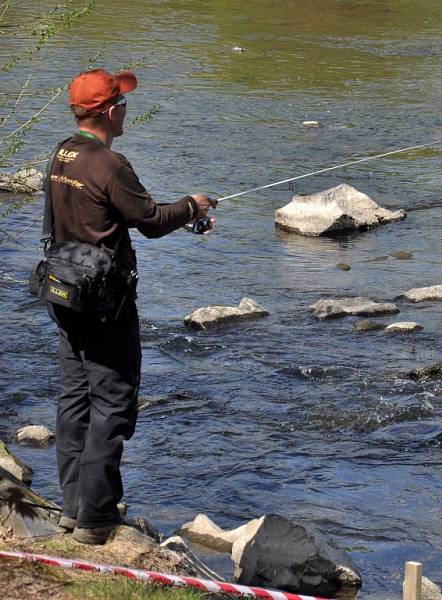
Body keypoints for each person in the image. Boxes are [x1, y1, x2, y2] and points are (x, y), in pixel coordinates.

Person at [47, 68, 216, 544]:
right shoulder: (109, 162)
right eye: (122, 103)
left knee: (75, 398)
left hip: (63, 291)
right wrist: (194, 205)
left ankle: (73, 505)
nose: (126, 110)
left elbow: (115, 215)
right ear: (108, 111)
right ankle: (97, 519)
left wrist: (175, 215)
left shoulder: (61, 153)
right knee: (112, 403)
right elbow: (151, 220)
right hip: (104, 302)